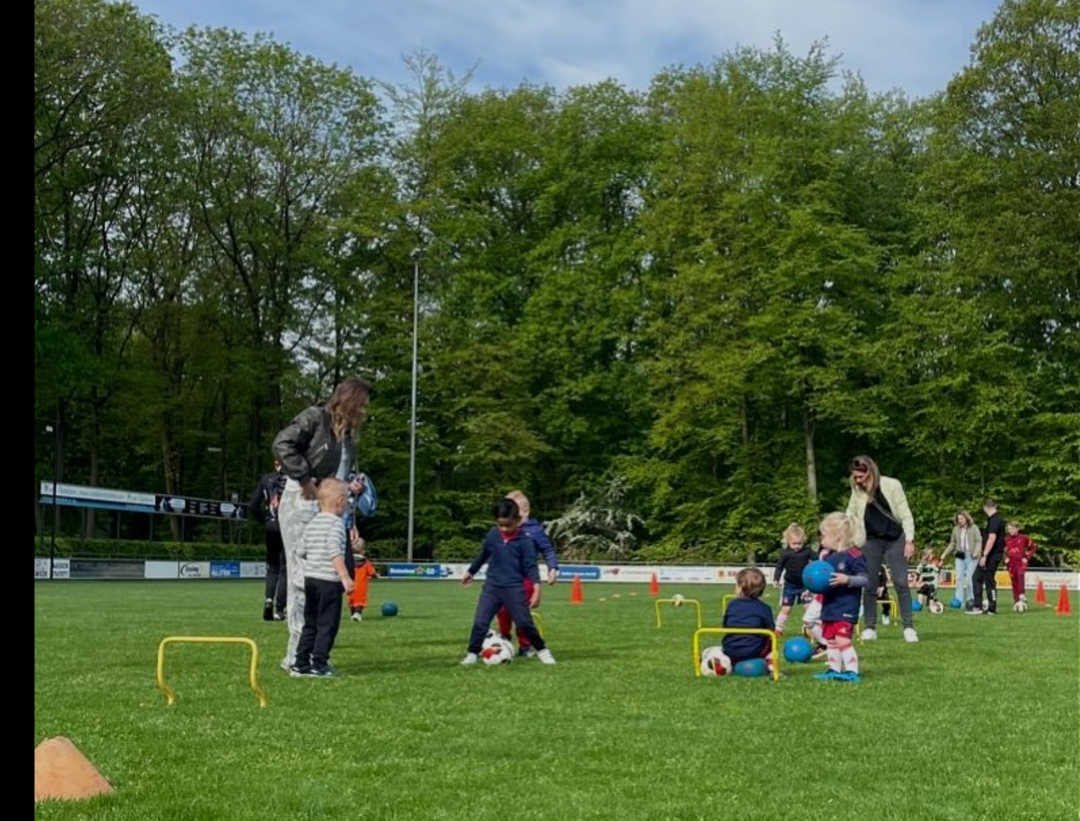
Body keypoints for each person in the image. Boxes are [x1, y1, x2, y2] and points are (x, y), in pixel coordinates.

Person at [272, 377, 372, 671]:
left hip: (331, 509)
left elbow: (339, 478)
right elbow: (282, 443)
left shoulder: (349, 435)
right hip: (302, 502)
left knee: (327, 579)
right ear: (350, 400)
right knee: (303, 579)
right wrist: (304, 478)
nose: (365, 412)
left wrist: (349, 511)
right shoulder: (315, 418)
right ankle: (297, 657)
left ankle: (309, 654)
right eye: (362, 405)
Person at [461, 498, 555, 666]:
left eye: (508, 525)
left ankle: (543, 651)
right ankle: (472, 654)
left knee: (525, 623)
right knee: (480, 623)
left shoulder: (525, 541)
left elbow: (531, 567)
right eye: (500, 525)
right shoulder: (492, 534)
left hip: (514, 589)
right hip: (492, 587)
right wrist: (471, 572)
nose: (504, 529)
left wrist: (537, 590)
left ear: (518, 521)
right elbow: (483, 554)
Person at [844, 455, 918, 643]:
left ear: (870, 471)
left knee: (901, 582)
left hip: (895, 539)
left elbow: (905, 513)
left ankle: (909, 627)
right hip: (870, 540)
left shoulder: (892, 485)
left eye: (861, 476)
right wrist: (846, 536)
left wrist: (909, 540)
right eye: (855, 477)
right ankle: (870, 627)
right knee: (868, 584)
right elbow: (850, 513)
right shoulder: (857, 490)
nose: (858, 480)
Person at [290, 479, 355, 677]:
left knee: (310, 622)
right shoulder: (336, 525)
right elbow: (335, 551)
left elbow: (300, 551)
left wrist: (315, 555)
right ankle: (319, 663)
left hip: (311, 579)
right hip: (329, 581)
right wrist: (345, 577)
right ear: (340, 501)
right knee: (327, 624)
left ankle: (300, 663)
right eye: (348, 501)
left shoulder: (313, 523)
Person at [495, 490, 559, 657]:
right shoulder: (504, 530)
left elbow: (548, 550)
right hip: (505, 579)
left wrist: (553, 568)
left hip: (526, 580)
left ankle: (525, 646)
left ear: (524, 512)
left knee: (521, 614)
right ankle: (504, 639)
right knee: (502, 611)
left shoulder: (535, 531)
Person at [813, 513, 869, 683]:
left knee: (842, 639)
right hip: (830, 607)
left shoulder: (854, 555)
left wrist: (847, 580)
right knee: (830, 640)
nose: (822, 539)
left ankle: (852, 671)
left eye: (824, 535)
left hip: (845, 607)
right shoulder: (830, 557)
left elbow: (865, 579)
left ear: (836, 536)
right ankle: (833, 669)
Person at [249, 460, 287, 621]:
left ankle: (268, 600)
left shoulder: (266, 479)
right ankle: (280, 608)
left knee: (272, 566)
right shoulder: (293, 479)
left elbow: (253, 505)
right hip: (287, 525)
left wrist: (264, 520)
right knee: (286, 567)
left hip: (270, 525)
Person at [721, 567, 776, 669]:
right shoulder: (764, 608)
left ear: (741, 587)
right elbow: (771, 630)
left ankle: (729, 662)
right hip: (755, 651)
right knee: (771, 639)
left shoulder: (731, 605)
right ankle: (770, 663)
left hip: (730, 649)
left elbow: (724, 626)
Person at [772, 523, 813, 635]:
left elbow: (818, 560)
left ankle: (808, 628)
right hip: (789, 585)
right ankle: (778, 629)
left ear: (803, 541)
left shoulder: (807, 551)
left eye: (799, 543)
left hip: (805, 586)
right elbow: (779, 567)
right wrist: (776, 579)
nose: (797, 546)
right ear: (788, 541)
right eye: (794, 543)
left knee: (809, 608)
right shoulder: (785, 553)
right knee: (786, 609)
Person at [970, 499, 1006, 615]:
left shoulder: (995, 520)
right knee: (977, 577)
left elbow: (992, 538)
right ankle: (978, 606)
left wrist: (985, 555)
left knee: (989, 580)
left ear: (985, 508)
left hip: (991, 555)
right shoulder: (995, 519)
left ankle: (991, 608)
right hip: (991, 555)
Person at [941, 511, 981, 609]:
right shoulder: (956, 529)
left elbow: (979, 541)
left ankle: (971, 600)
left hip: (972, 556)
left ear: (967, 518)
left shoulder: (974, 528)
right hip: (960, 556)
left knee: (969, 579)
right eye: (958, 519)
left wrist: (976, 552)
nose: (960, 521)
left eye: (962, 518)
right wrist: (944, 553)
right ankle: (959, 601)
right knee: (958, 578)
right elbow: (952, 543)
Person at [1004, 521, 1037, 606]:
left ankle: (1021, 594)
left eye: (1011, 528)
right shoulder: (1006, 539)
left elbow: (1033, 547)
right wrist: (1005, 558)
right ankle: (1017, 601)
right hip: (1011, 563)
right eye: (1008, 529)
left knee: (1020, 575)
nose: (1009, 530)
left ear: (1017, 529)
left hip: (1020, 562)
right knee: (1014, 582)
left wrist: (1027, 558)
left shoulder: (1024, 538)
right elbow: (1001, 550)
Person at [348, 542, 378, 621]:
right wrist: (376, 576)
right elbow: (372, 573)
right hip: (361, 586)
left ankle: (353, 614)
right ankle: (357, 614)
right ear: (362, 551)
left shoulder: (348, 561)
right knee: (360, 601)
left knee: (352, 601)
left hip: (349, 585)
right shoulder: (365, 562)